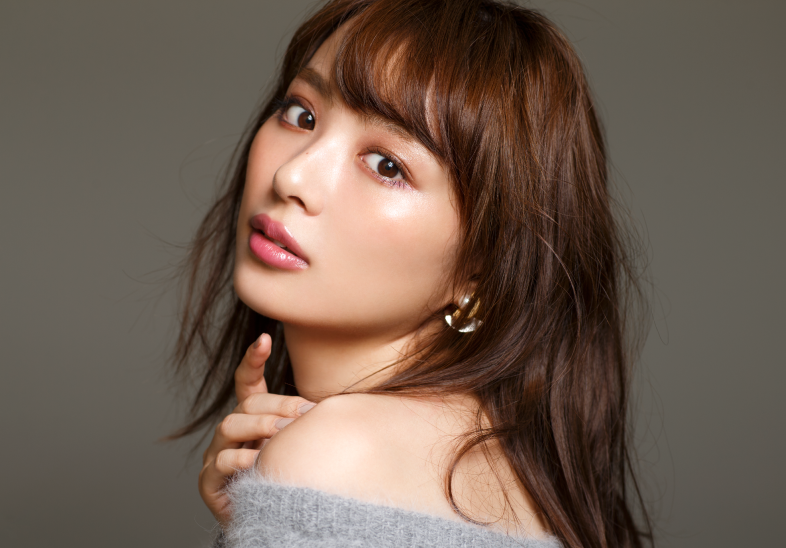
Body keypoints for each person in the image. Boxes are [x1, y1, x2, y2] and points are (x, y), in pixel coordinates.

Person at [170, 0, 652, 546]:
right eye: (302, 114)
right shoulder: (515, 481)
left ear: (482, 269)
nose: (292, 176)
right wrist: (258, 514)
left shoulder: (339, 455)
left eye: (387, 165)